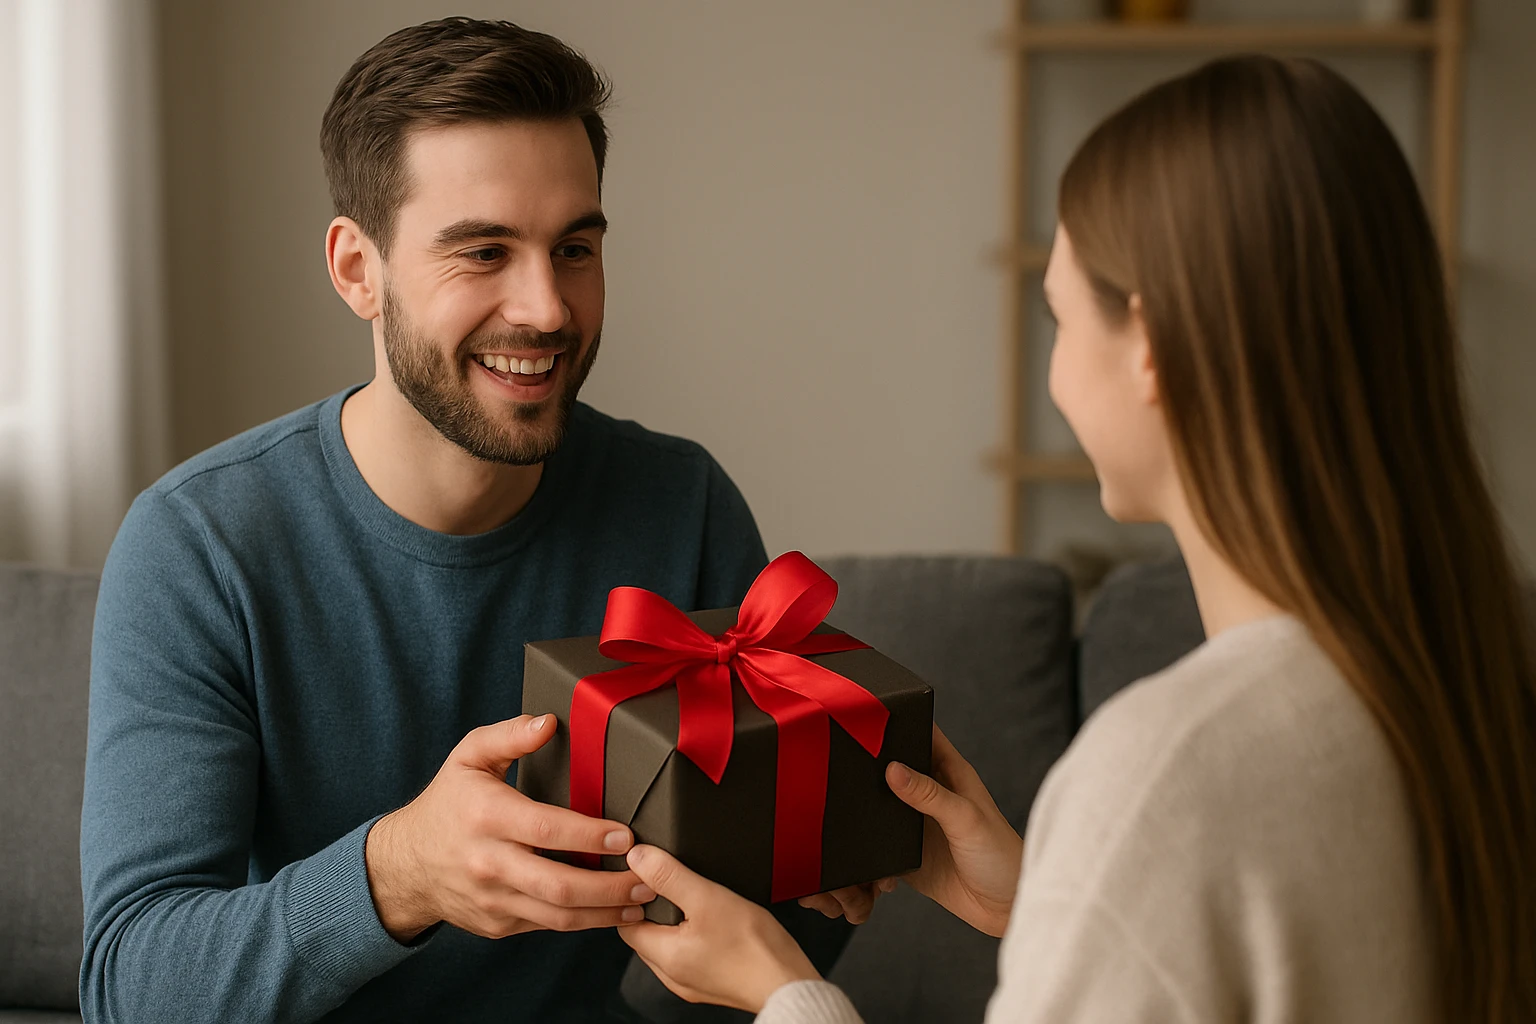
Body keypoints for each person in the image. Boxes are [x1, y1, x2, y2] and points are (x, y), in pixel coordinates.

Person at [615, 55, 1536, 1024]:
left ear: (1150, 346)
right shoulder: (1472, 675)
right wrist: (1049, 900)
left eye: (1057, 315)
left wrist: (782, 988)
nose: (1056, 369)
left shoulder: (1169, 772)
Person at [79, 18, 846, 1023]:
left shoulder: (681, 504)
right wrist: (399, 873)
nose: (546, 307)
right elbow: (129, 983)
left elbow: (780, 915)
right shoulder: (199, 547)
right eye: (483, 251)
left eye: (575, 247)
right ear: (359, 270)